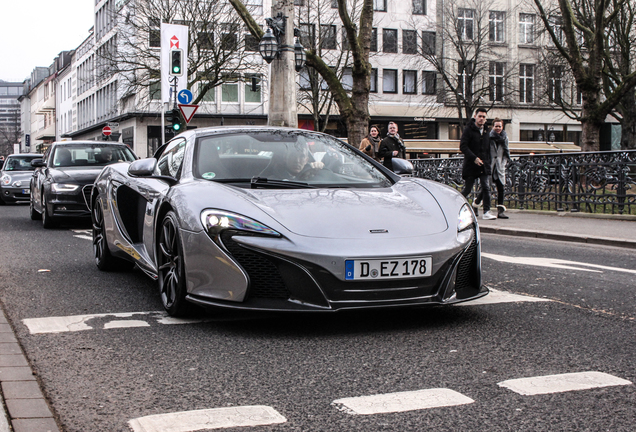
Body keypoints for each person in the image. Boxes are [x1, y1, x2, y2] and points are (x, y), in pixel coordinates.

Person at [460, 108, 496, 220]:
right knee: (468, 189)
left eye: (484, 117)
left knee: (486, 187)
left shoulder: (487, 131)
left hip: (483, 164)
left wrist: (488, 163)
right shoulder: (468, 130)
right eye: (480, 116)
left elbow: (488, 148)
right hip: (471, 164)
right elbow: (463, 146)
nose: (481, 119)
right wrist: (474, 158)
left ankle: (486, 211)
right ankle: (456, 206)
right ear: (475, 116)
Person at [474, 118, 511, 219]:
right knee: (486, 188)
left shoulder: (505, 138)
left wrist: (503, 163)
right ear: (493, 127)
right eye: (496, 126)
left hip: (499, 166)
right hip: (490, 165)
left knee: (501, 187)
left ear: (502, 127)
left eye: (500, 126)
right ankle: (476, 204)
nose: (498, 128)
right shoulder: (488, 137)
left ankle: (500, 211)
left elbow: (506, 152)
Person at [260, 143, 324, 180]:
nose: (297, 161)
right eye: (293, 155)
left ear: (306, 160)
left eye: (301, 156)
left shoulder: (313, 174)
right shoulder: (272, 180)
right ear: (285, 158)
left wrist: (321, 168)